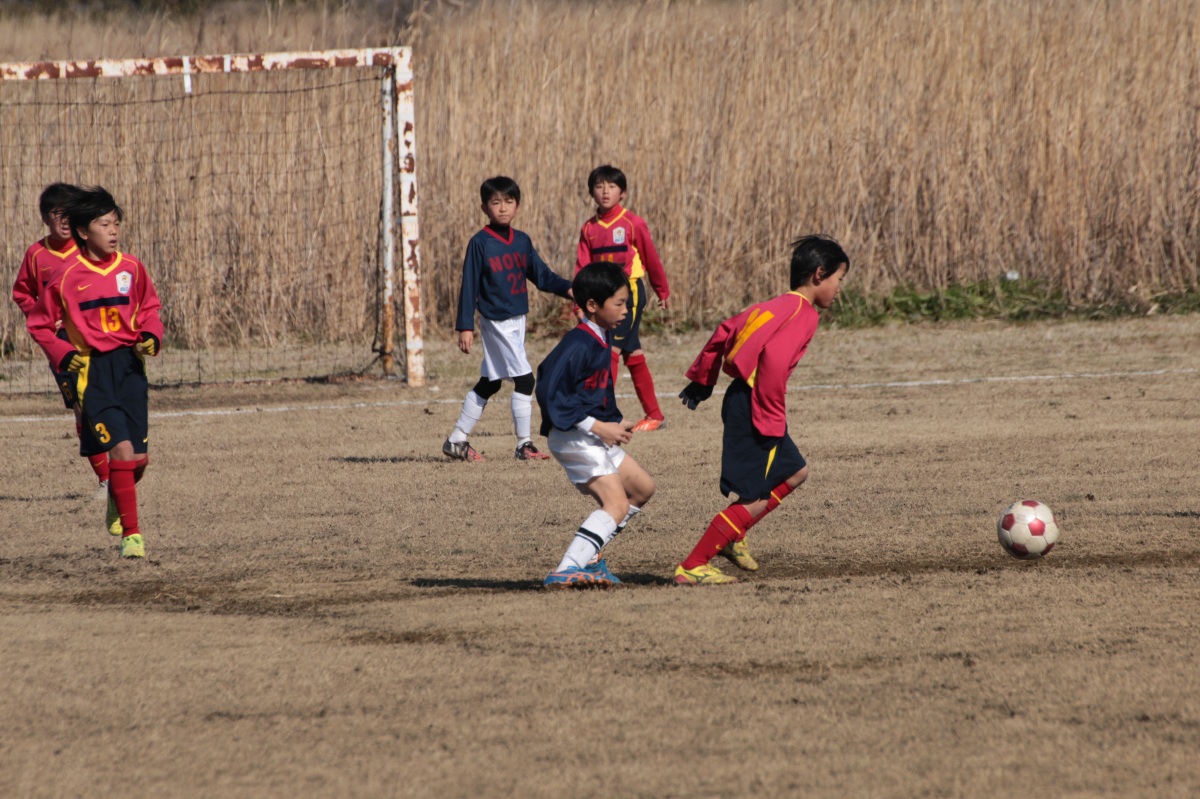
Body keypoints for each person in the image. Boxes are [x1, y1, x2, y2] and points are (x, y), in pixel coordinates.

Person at [672, 235, 849, 585]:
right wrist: (770, 417)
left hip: (743, 397)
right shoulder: (805, 314)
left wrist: (703, 379)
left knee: (795, 472)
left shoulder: (775, 305)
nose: (839, 288)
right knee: (755, 498)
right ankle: (693, 566)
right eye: (838, 279)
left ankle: (733, 535)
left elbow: (725, 331)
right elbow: (775, 363)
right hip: (756, 405)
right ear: (819, 274)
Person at [25, 187, 164, 560]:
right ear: (84, 232)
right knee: (120, 450)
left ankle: (118, 494)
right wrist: (63, 352)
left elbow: (149, 308)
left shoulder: (132, 267)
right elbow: (39, 324)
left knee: (138, 460)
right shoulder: (66, 276)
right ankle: (132, 537)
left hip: (130, 367)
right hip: (92, 370)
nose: (113, 231)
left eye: (116, 223)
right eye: (105, 224)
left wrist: (151, 335)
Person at [536, 262, 656, 588]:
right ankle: (567, 568)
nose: (625, 311)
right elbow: (548, 389)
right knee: (616, 503)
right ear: (592, 305)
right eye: (619, 303)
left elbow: (593, 390)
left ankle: (589, 557)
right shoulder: (579, 342)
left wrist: (613, 420)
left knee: (642, 489)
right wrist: (596, 426)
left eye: (627, 303)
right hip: (573, 436)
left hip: (591, 433)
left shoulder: (603, 335)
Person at [444, 176, 574, 462]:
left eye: (509, 202)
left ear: (518, 206)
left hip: (517, 320)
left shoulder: (522, 241)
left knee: (491, 383)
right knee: (525, 380)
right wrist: (465, 326)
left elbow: (542, 276)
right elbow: (469, 285)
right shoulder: (480, 243)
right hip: (496, 322)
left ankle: (457, 440)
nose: (502, 208)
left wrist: (569, 289)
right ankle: (524, 445)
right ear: (484, 208)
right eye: (495, 202)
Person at [11, 183, 115, 503]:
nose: (65, 221)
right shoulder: (36, 255)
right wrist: (41, 315)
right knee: (82, 409)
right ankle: (106, 480)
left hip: (93, 338)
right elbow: (22, 293)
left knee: (105, 403)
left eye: (69, 214)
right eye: (58, 214)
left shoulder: (88, 249)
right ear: (46, 219)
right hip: (60, 344)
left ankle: (123, 465)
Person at [575, 164, 670, 432]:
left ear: (623, 192)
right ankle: (654, 415)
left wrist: (662, 290)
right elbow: (582, 267)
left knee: (610, 350)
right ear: (591, 192)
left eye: (612, 186)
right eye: (599, 186)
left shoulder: (632, 223)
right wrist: (578, 303)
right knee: (632, 352)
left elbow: (651, 258)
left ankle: (602, 413)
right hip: (602, 296)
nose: (605, 191)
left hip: (629, 292)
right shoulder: (589, 228)